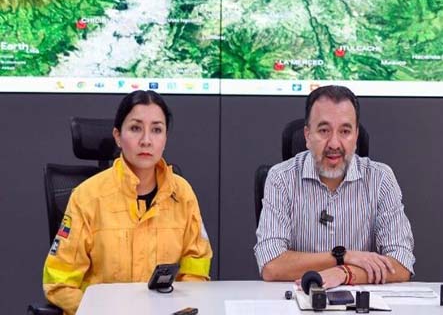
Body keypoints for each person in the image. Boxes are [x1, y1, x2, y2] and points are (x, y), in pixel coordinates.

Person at [42, 90, 212, 314]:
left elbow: (196, 267)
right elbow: (59, 282)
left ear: (165, 138)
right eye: (135, 128)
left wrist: (179, 308)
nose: (146, 140)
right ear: (117, 136)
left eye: (157, 130)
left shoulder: (182, 194)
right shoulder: (87, 196)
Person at [254, 85, 415, 288]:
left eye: (345, 131)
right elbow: (271, 265)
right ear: (307, 135)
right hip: (297, 301)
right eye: (323, 130)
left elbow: (401, 263)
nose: (334, 143)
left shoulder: (380, 178)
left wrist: (344, 273)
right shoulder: (281, 178)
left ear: (356, 136)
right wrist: (343, 256)